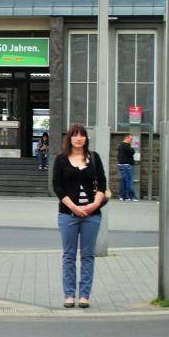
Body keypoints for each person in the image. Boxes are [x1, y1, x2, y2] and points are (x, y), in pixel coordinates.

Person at [51, 123, 107, 309]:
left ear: (86, 138)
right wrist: (74, 207)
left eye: (82, 135)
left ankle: (84, 295)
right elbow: (57, 186)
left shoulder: (94, 158)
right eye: (75, 135)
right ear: (69, 138)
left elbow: (102, 184)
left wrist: (94, 205)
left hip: (92, 215)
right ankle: (69, 295)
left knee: (88, 255)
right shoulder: (61, 160)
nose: (78, 138)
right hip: (68, 215)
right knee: (69, 255)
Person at [117, 134, 137, 201]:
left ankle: (123, 196)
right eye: (130, 139)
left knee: (123, 182)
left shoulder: (120, 145)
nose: (131, 141)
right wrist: (131, 148)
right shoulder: (126, 146)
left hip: (121, 165)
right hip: (127, 166)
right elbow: (132, 152)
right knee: (129, 182)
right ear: (126, 138)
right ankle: (132, 197)